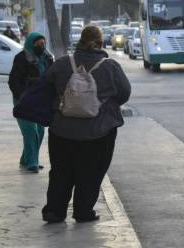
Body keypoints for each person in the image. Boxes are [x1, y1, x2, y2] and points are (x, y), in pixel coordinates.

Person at [40, 25, 131, 223]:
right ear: (100, 43)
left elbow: (44, 87)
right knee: (91, 171)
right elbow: (124, 94)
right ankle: (83, 211)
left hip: (62, 131)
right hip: (99, 131)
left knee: (61, 171)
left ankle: (54, 211)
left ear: (80, 41)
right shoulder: (110, 67)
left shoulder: (62, 64)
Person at [7, 32, 54, 173]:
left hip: (40, 101)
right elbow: (13, 81)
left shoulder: (47, 58)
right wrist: (22, 96)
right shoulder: (21, 58)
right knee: (30, 131)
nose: (42, 46)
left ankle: (26, 159)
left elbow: (52, 77)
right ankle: (32, 162)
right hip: (24, 100)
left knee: (39, 131)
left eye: (43, 43)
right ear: (30, 44)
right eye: (38, 44)